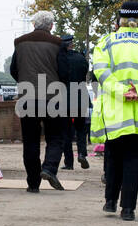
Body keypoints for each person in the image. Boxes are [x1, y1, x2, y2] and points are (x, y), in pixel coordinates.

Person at [90, 1, 138, 221]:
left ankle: (110, 202)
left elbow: (101, 73)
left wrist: (121, 91)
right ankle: (128, 209)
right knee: (134, 162)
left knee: (113, 158)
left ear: (120, 19)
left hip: (116, 112)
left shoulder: (106, 42)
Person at [9, 11, 67, 192]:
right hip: (53, 97)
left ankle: (33, 184)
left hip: (28, 97)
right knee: (56, 137)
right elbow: (64, 71)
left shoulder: (20, 42)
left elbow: (13, 69)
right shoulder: (58, 43)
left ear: (34, 24)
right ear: (51, 26)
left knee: (31, 141)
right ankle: (49, 168)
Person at [57, 34, 91, 171]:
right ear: (72, 44)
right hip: (80, 97)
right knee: (81, 129)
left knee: (65, 133)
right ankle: (82, 153)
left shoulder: (60, 59)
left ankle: (69, 162)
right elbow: (84, 74)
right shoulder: (81, 59)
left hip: (64, 98)